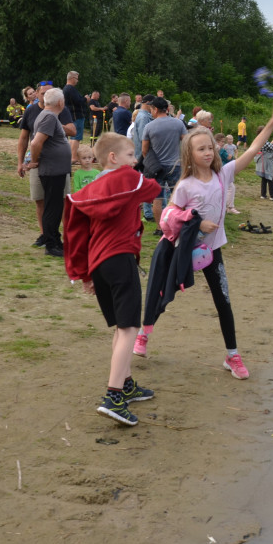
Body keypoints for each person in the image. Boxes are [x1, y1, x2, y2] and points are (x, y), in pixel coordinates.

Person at [135, 97, 273, 378]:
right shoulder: (185, 185)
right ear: (189, 155)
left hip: (211, 252)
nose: (207, 152)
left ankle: (233, 356)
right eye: (200, 149)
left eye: (210, 148)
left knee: (223, 301)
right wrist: (195, 221)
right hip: (181, 250)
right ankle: (144, 334)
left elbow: (253, 148)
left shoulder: (223, 175)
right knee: (163, 293)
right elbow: (168, 217)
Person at [63, 132, 161, 427]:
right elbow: (153, 188)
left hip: (99, 263)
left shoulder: (89, 190)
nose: (135, 161)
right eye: (131, 155)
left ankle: (126, 383)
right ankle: (113, 395)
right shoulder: (127, 179)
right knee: (130, 327)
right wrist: (136, 174)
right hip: (120, 259)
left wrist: (84, 274)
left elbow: (78, 233)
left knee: (120, 326)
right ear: (114, 158)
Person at [16, 84, 76, 251]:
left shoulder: (47, 115)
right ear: (60, 103)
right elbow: (35, 143)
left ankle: (55, 240)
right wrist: (34, 161)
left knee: (54, 206)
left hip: (55, 169)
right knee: (52, 208)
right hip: (52, 169)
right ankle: (51, 244)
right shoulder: (49, 117)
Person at [141, 96, 188, 230]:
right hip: (175, 165)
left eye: (151, 109)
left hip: (157, 168)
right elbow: (186, 142)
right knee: (178, 198)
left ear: (156, 109)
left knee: (158, 199)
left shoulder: (149, 126)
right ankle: (180, 226)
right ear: (167, 109)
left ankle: (160, 228)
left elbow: (144, 150)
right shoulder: (178, 123)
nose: (150, 112)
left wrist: (150, 162)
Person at [63, 71, 86, 164]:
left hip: (70, 115)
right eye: (76, 78)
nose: (77, 81)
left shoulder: (65, 89)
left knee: (73, 137)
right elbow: (78, 101)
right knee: (76, 137)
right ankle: (73, 158)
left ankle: (71, 156)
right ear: (72, 78)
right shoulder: (71, 89)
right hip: (77, 115)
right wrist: (85, 99)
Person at [254, 128, 273, 200]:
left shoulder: (259, 139)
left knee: (264, 178)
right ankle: (272, 196)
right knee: (270, 177)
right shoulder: (263, 140)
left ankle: (263, 194)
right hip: (266, 160)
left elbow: (269, 147)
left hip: (263, 160)